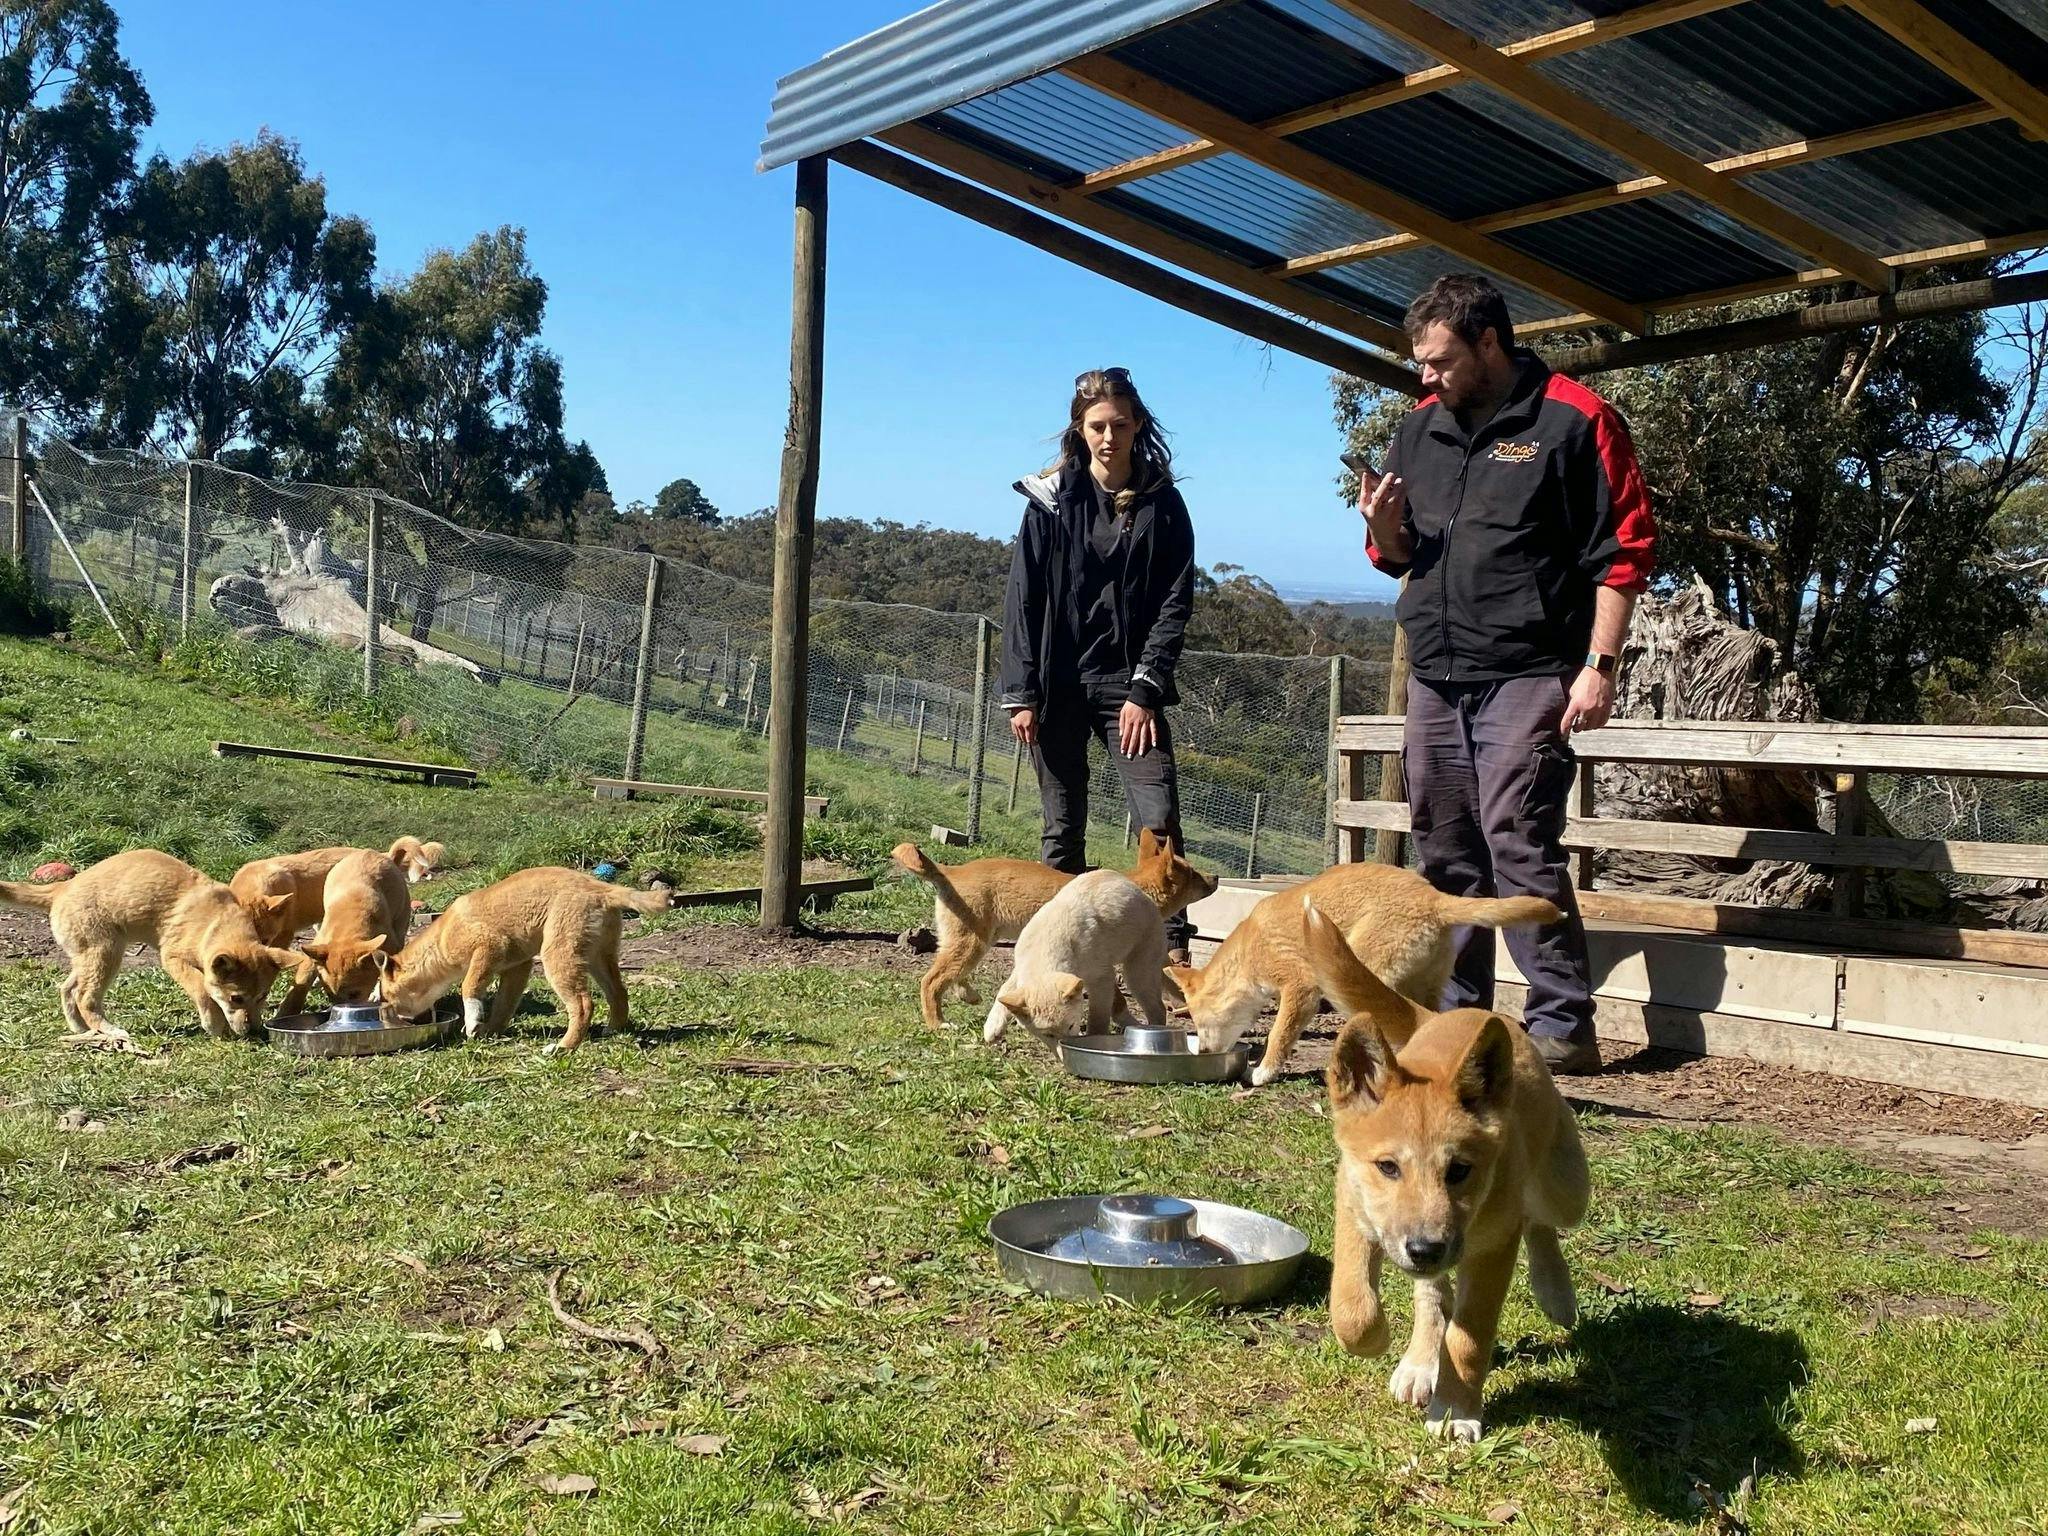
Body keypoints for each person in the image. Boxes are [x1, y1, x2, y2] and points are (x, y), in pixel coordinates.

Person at [1359, 274, 1655, 1074]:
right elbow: (1396, 554)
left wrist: (1599, 665)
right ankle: (1459, 1022)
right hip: (1436, 673)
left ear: (1489, 344)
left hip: (1531, 671)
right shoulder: (1420, 428)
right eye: (1420, 363)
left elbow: (1621, 554)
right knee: (1445, 850)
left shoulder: (1575, 419)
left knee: (1517, 838)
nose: (1426, 377)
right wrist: (1383, 531)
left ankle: (1562, 1024)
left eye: (1440, 361)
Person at [999, 367, 1198, 962]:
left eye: (1119, 424)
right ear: (1080, 431)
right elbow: (1023, 597)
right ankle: (1057, 956)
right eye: (1096, 427)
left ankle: (1170, 953)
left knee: (1157, 820)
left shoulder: (1164, 504)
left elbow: (1175, 599)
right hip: (1057, 685)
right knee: (1062, 828)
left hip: (1128, 688)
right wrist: (1021, 692)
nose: (1108, 436)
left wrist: (1146, 687)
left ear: (1138, 425)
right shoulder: (1051, 500)